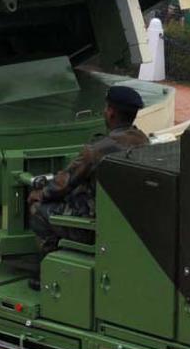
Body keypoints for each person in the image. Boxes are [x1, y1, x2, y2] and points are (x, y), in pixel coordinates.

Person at [27, 86, 151, 249]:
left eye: (106, 108)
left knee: (38, 210)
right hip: (127, 220)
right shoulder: (144, 142)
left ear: (111, 112)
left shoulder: (96, 151)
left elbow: (63, 184)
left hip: (94, 225)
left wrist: (40, 194)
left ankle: (52, 260)